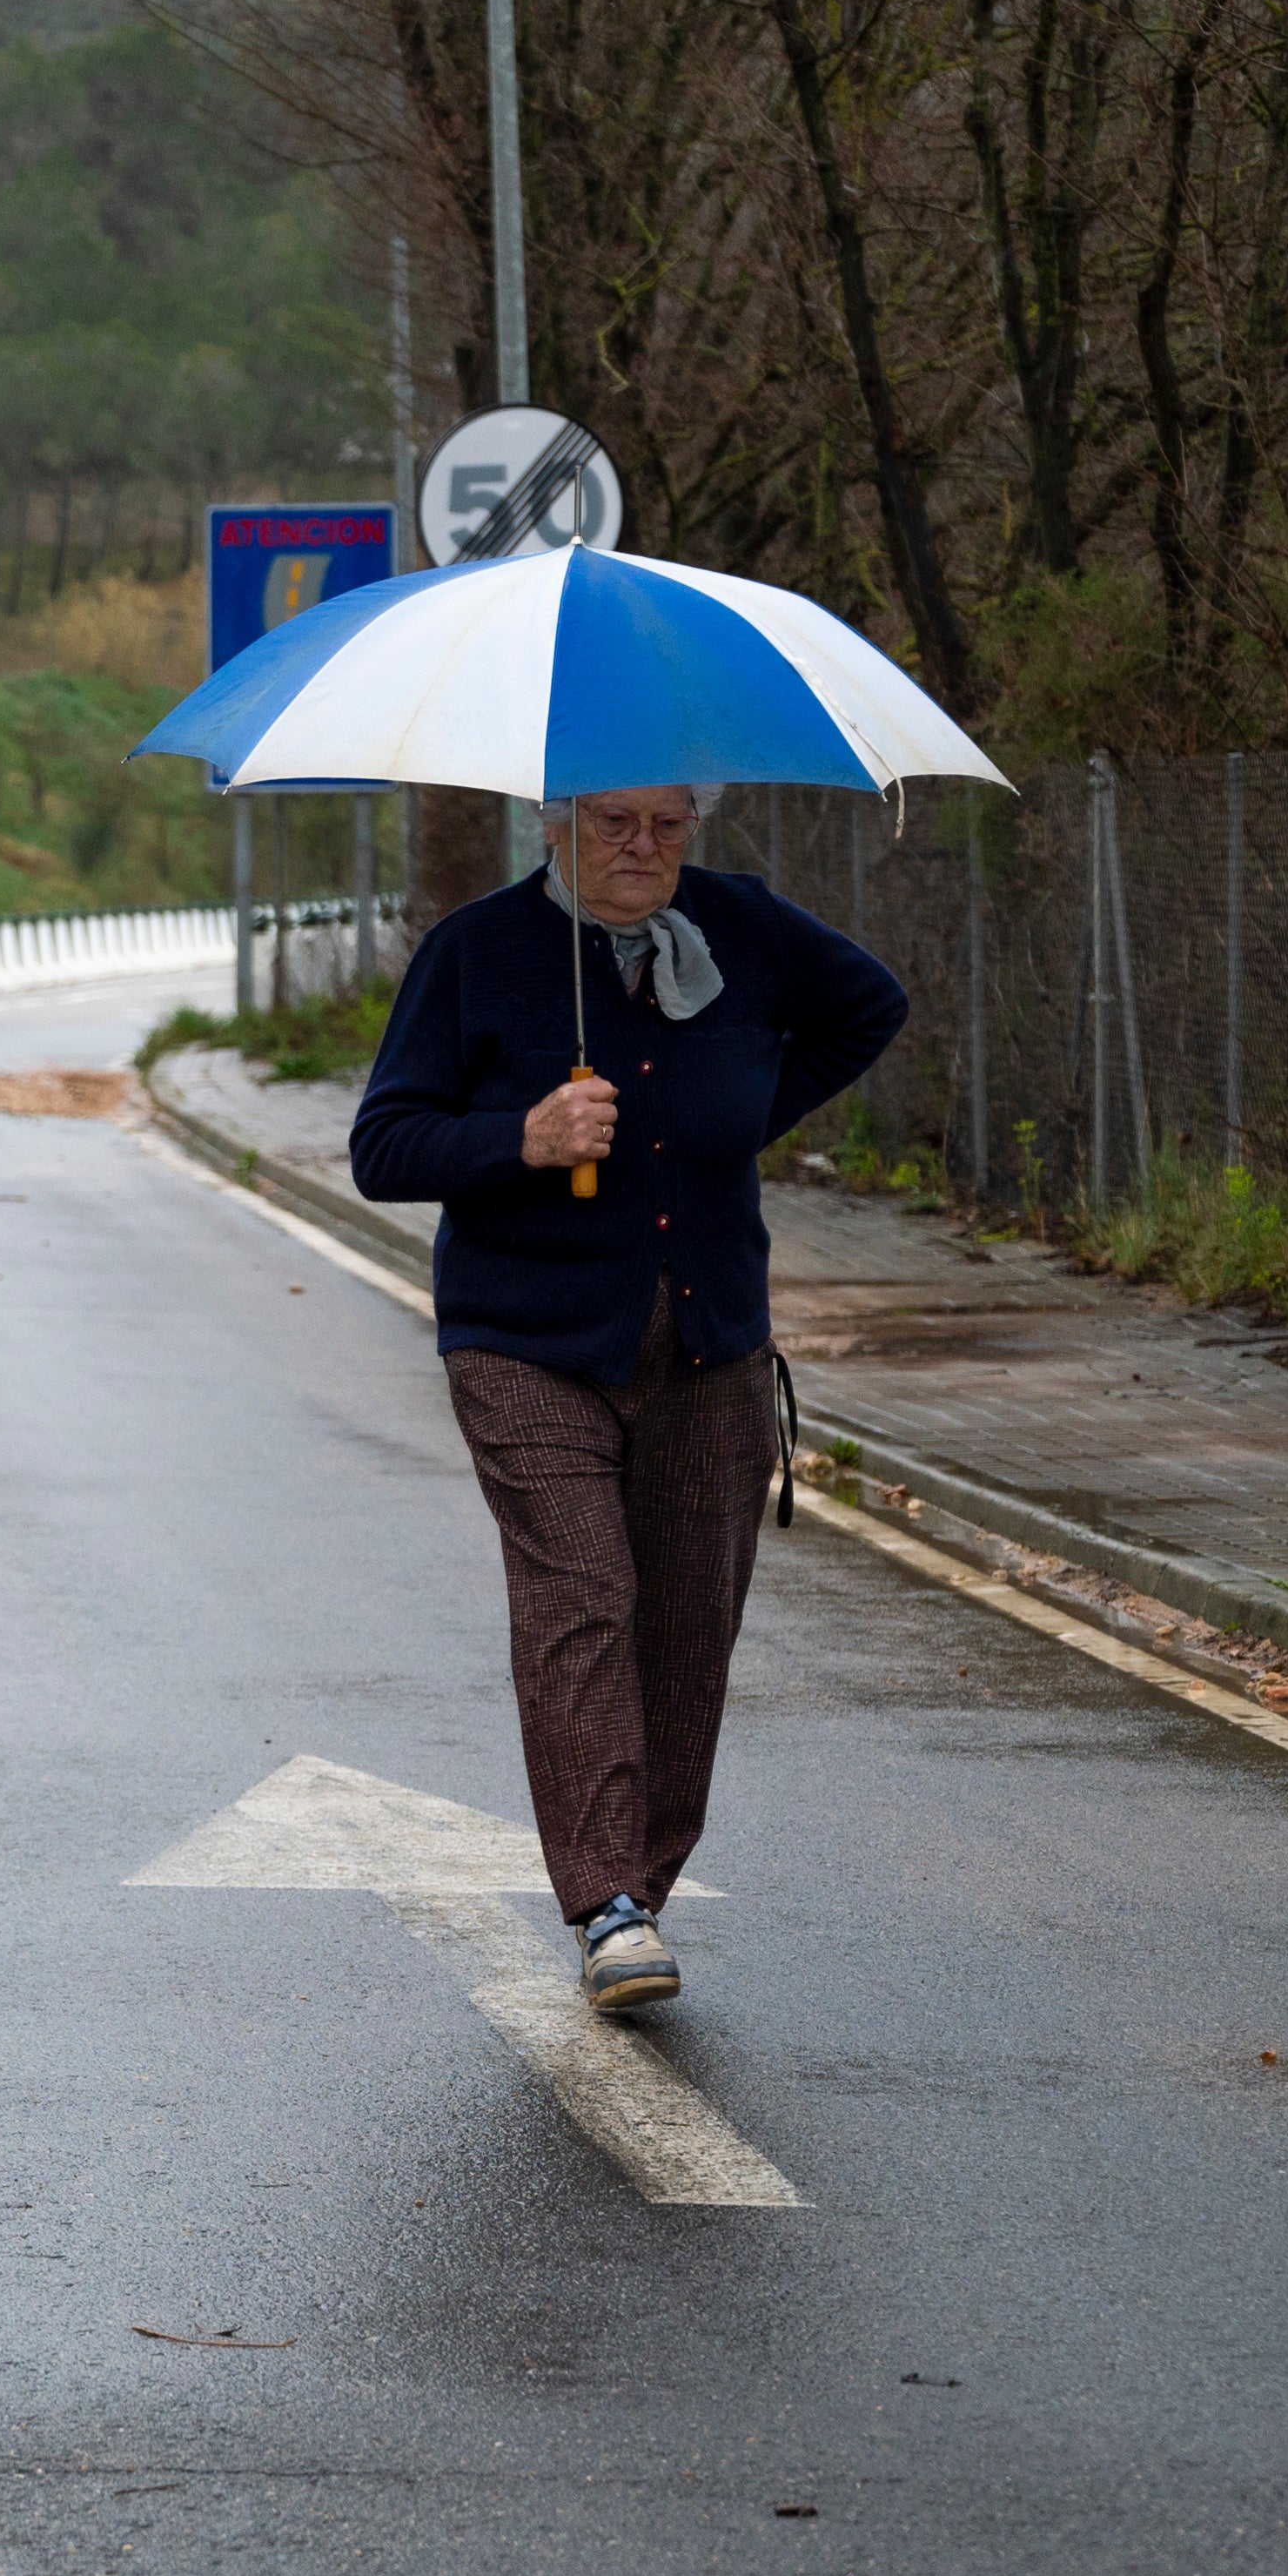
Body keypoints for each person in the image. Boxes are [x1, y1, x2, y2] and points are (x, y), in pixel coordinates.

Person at [346, 784, 907, 2014]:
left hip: (711, 1340)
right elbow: (382, 1147)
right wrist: (523, 1138)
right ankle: (603, 1901)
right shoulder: (474, 952)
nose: (642, 848)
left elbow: (869, 1006)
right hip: (525, 1338)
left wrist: (751, 1102)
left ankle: (641, 1886)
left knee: (689, 1622)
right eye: (612, 824)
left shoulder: (743, 929)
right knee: (581, 1597)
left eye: (666, 824)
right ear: (553, 826)